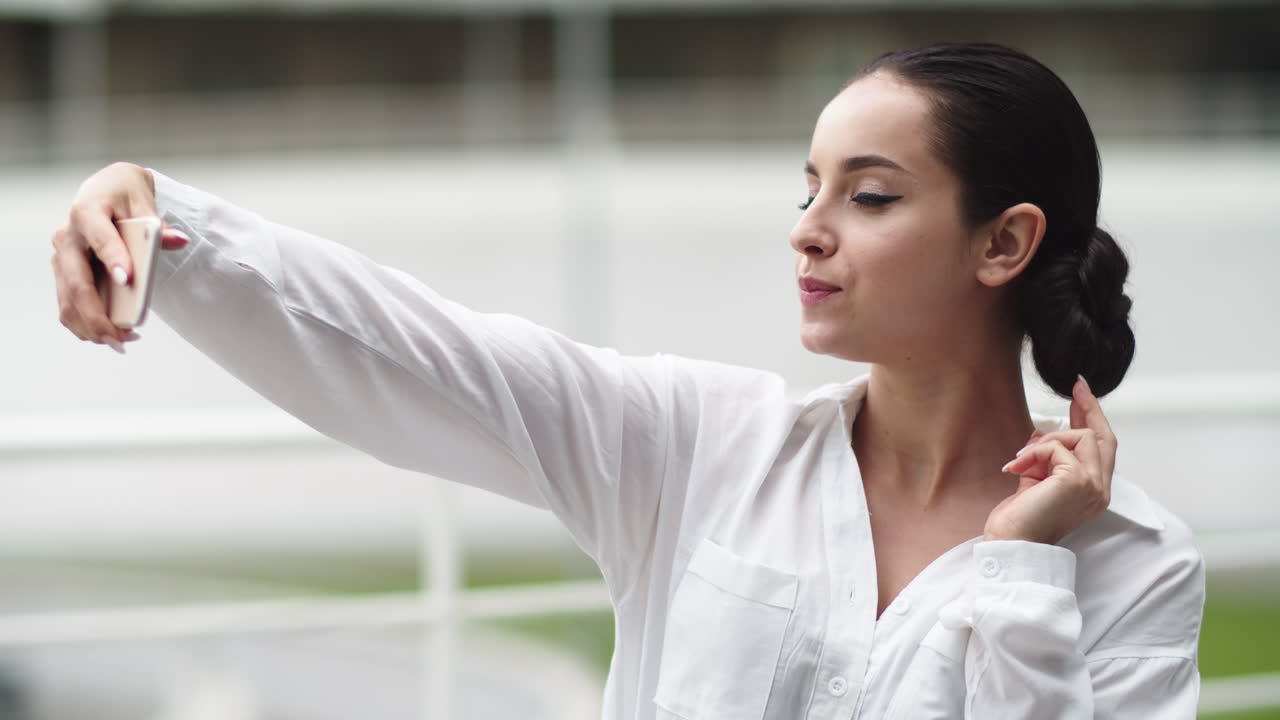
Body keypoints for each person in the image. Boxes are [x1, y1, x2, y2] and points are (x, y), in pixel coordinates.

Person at [50, 42, 1203, 718]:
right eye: (803, 187)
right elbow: (418, 351)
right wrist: (160, 210)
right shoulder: (698, 443)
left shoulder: (1131, 565)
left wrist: (1014, 568)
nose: (806, 231)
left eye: (868, 194)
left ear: (1000, 245)